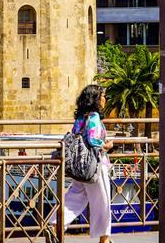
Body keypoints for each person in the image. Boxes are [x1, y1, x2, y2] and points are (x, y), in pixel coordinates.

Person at [46, 84, 113, 243]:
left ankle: (55, 224)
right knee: (103, 203)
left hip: (79, 166)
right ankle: (104, 240)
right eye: (103, 96)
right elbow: (93, 140)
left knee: (75, 198)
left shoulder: (80, 118)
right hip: (94, 166)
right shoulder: (95, 117)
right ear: (96, 99)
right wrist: (107, 145)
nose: (105, 99)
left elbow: (76, 136)